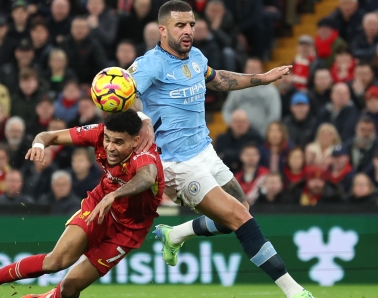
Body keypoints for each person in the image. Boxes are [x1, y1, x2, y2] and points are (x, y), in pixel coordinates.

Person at [128, 1, 312, 297]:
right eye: (180, 26)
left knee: (241, 209)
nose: (188, 31)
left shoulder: (197, 57)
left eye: (191, 24)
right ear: (162, 30)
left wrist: (261, 79)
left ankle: (175, 234)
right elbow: (127, 96)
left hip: (204, 150)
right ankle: (293, 290)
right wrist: (144, 120)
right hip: (177, 164)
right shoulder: (149, 64)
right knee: (240, 218)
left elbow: (217, 80)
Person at [0, 110, 165, 298]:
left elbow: (146, 177)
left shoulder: (145, 154)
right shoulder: (98, 133)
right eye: (108, 139)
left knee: (70, 287)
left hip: (129, 229)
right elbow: (47, 135)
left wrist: (114, 196)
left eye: (119, 142)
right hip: (98, 206)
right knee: (55, 261)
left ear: (135, 141)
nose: (110, 147)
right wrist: (39, 145)